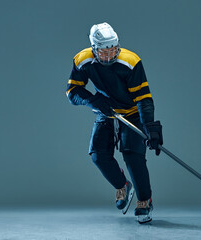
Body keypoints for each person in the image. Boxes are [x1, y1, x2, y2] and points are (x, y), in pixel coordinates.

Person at [65, 22, 163, 224]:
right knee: (98, 155)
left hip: (132, 113)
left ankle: (145, 200)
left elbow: (144, 98)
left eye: (112, 50)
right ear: (94, 49)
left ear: (117, 45)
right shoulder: (83, 60)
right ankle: (123, 186)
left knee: (133, 156)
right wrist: (93, 100)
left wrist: (150, 127)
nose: (109, 55)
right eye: (103, 51)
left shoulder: (131, 62)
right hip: (106, 111)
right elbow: (72, 92)